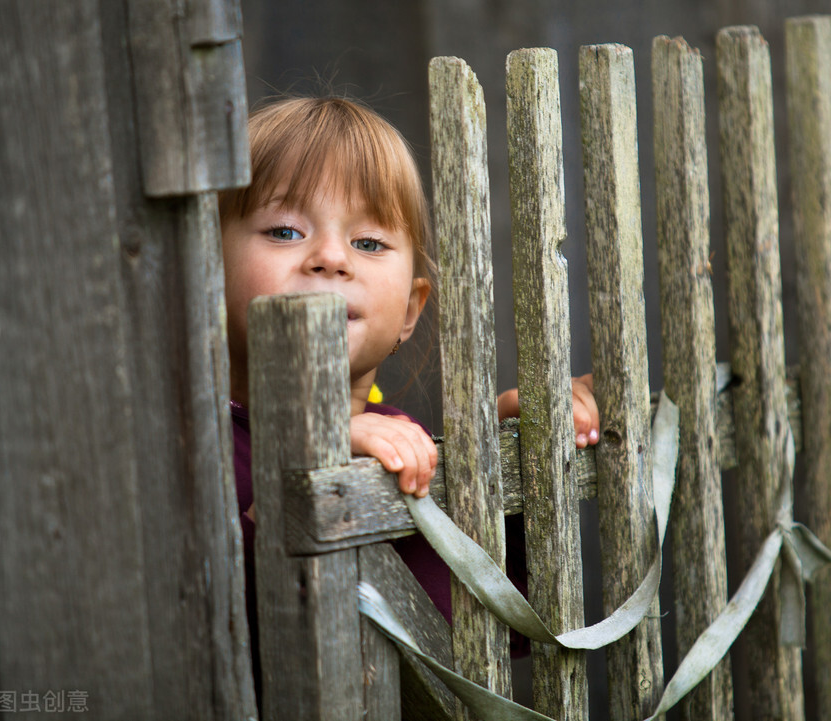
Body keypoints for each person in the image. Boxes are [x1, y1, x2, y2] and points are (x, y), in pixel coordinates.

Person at [218, 95, 598, 681]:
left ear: (410, 311)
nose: (329, 258)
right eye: (285, 229)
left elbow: (476, 629)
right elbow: (202, 615)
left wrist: (507, 459)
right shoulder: (186, 441)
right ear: (204, 275)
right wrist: (303, 463)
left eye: (368, 243)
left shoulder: (404, 441)